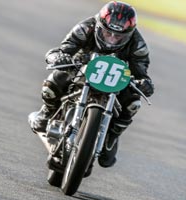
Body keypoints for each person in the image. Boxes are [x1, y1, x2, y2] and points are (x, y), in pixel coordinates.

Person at [28, 1, 154, 168]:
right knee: (55, 79)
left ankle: (112, 136)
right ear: (99, 26)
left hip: (115, 80)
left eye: (119, 37)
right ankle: (47, 112)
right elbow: (63, 49)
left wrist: (144, 83)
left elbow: (141, 71)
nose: (112, 39)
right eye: (107, 33)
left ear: (129, 34)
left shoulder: (138, 44)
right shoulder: (85, 28)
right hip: (80, 68)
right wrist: (60, 58)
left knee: (134, 102)